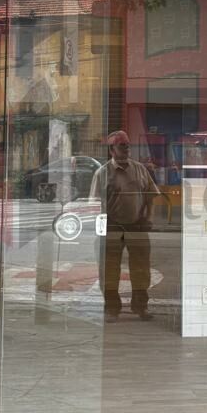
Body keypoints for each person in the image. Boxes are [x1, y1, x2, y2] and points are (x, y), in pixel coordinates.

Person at [88, 131, 160, 320]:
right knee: (109, 270)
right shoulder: (102, 173)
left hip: (137, 224)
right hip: (111, 226)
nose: (127, 148)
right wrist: (101, 231)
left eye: (128, 145)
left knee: (141, 268)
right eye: (122, 145)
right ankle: (112, 309)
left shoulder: (140, 169)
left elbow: (151, 196)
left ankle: (140, 307)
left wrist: (149, 218)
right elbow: (95, 205)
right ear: (112, 150)